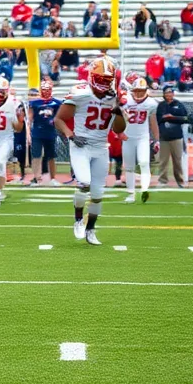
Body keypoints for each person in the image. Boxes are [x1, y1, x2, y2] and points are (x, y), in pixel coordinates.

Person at [55, 56, 123, 245]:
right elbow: (58, 119)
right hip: (80, 146)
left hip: (101, 148)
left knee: (98, 194)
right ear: (92, 76)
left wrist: (119, 112)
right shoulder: (80, 93)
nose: (104, 82)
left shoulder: (113, 98)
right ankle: (78, 219)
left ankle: (91, 229)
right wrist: (70, 135)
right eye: (100, 78)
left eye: (107, 79)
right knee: (84, 182)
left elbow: (119, 129)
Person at [120, 79, 158, 203]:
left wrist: (157, 139)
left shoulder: (151, 103)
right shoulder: (125, 100)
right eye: (136, 91)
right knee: (129, 167)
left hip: (142, 137)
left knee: (144, 162)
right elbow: (117, 117)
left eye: (141, 91)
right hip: (128, 137)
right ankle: (131, 193)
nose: (139, 93)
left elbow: (153, 122)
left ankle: (144, 189)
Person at [28, 80, 61, 185]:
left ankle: (53, 178)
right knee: (36, 156)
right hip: (37, 132)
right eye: (44, 90)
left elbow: (59, 118)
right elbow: (30, 119)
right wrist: (28, 133)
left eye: (48, 90)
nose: (46, 92)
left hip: (50, 132)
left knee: (51, 156)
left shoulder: (56, 103)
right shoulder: (34, 103)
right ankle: (37, 178)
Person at [155, 85, 189, 187]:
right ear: (164, 94)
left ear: (173, 93)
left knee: (177, 161)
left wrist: (172, 117)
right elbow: (158, 119)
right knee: (163, 161)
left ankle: (180, 181)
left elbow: (185, 118)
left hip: (177, 137)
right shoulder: (161, 105)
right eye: (166, 92)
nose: (168, 94)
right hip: (164, 137)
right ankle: (162, 181)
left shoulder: (179, 104)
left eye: (170, 92)